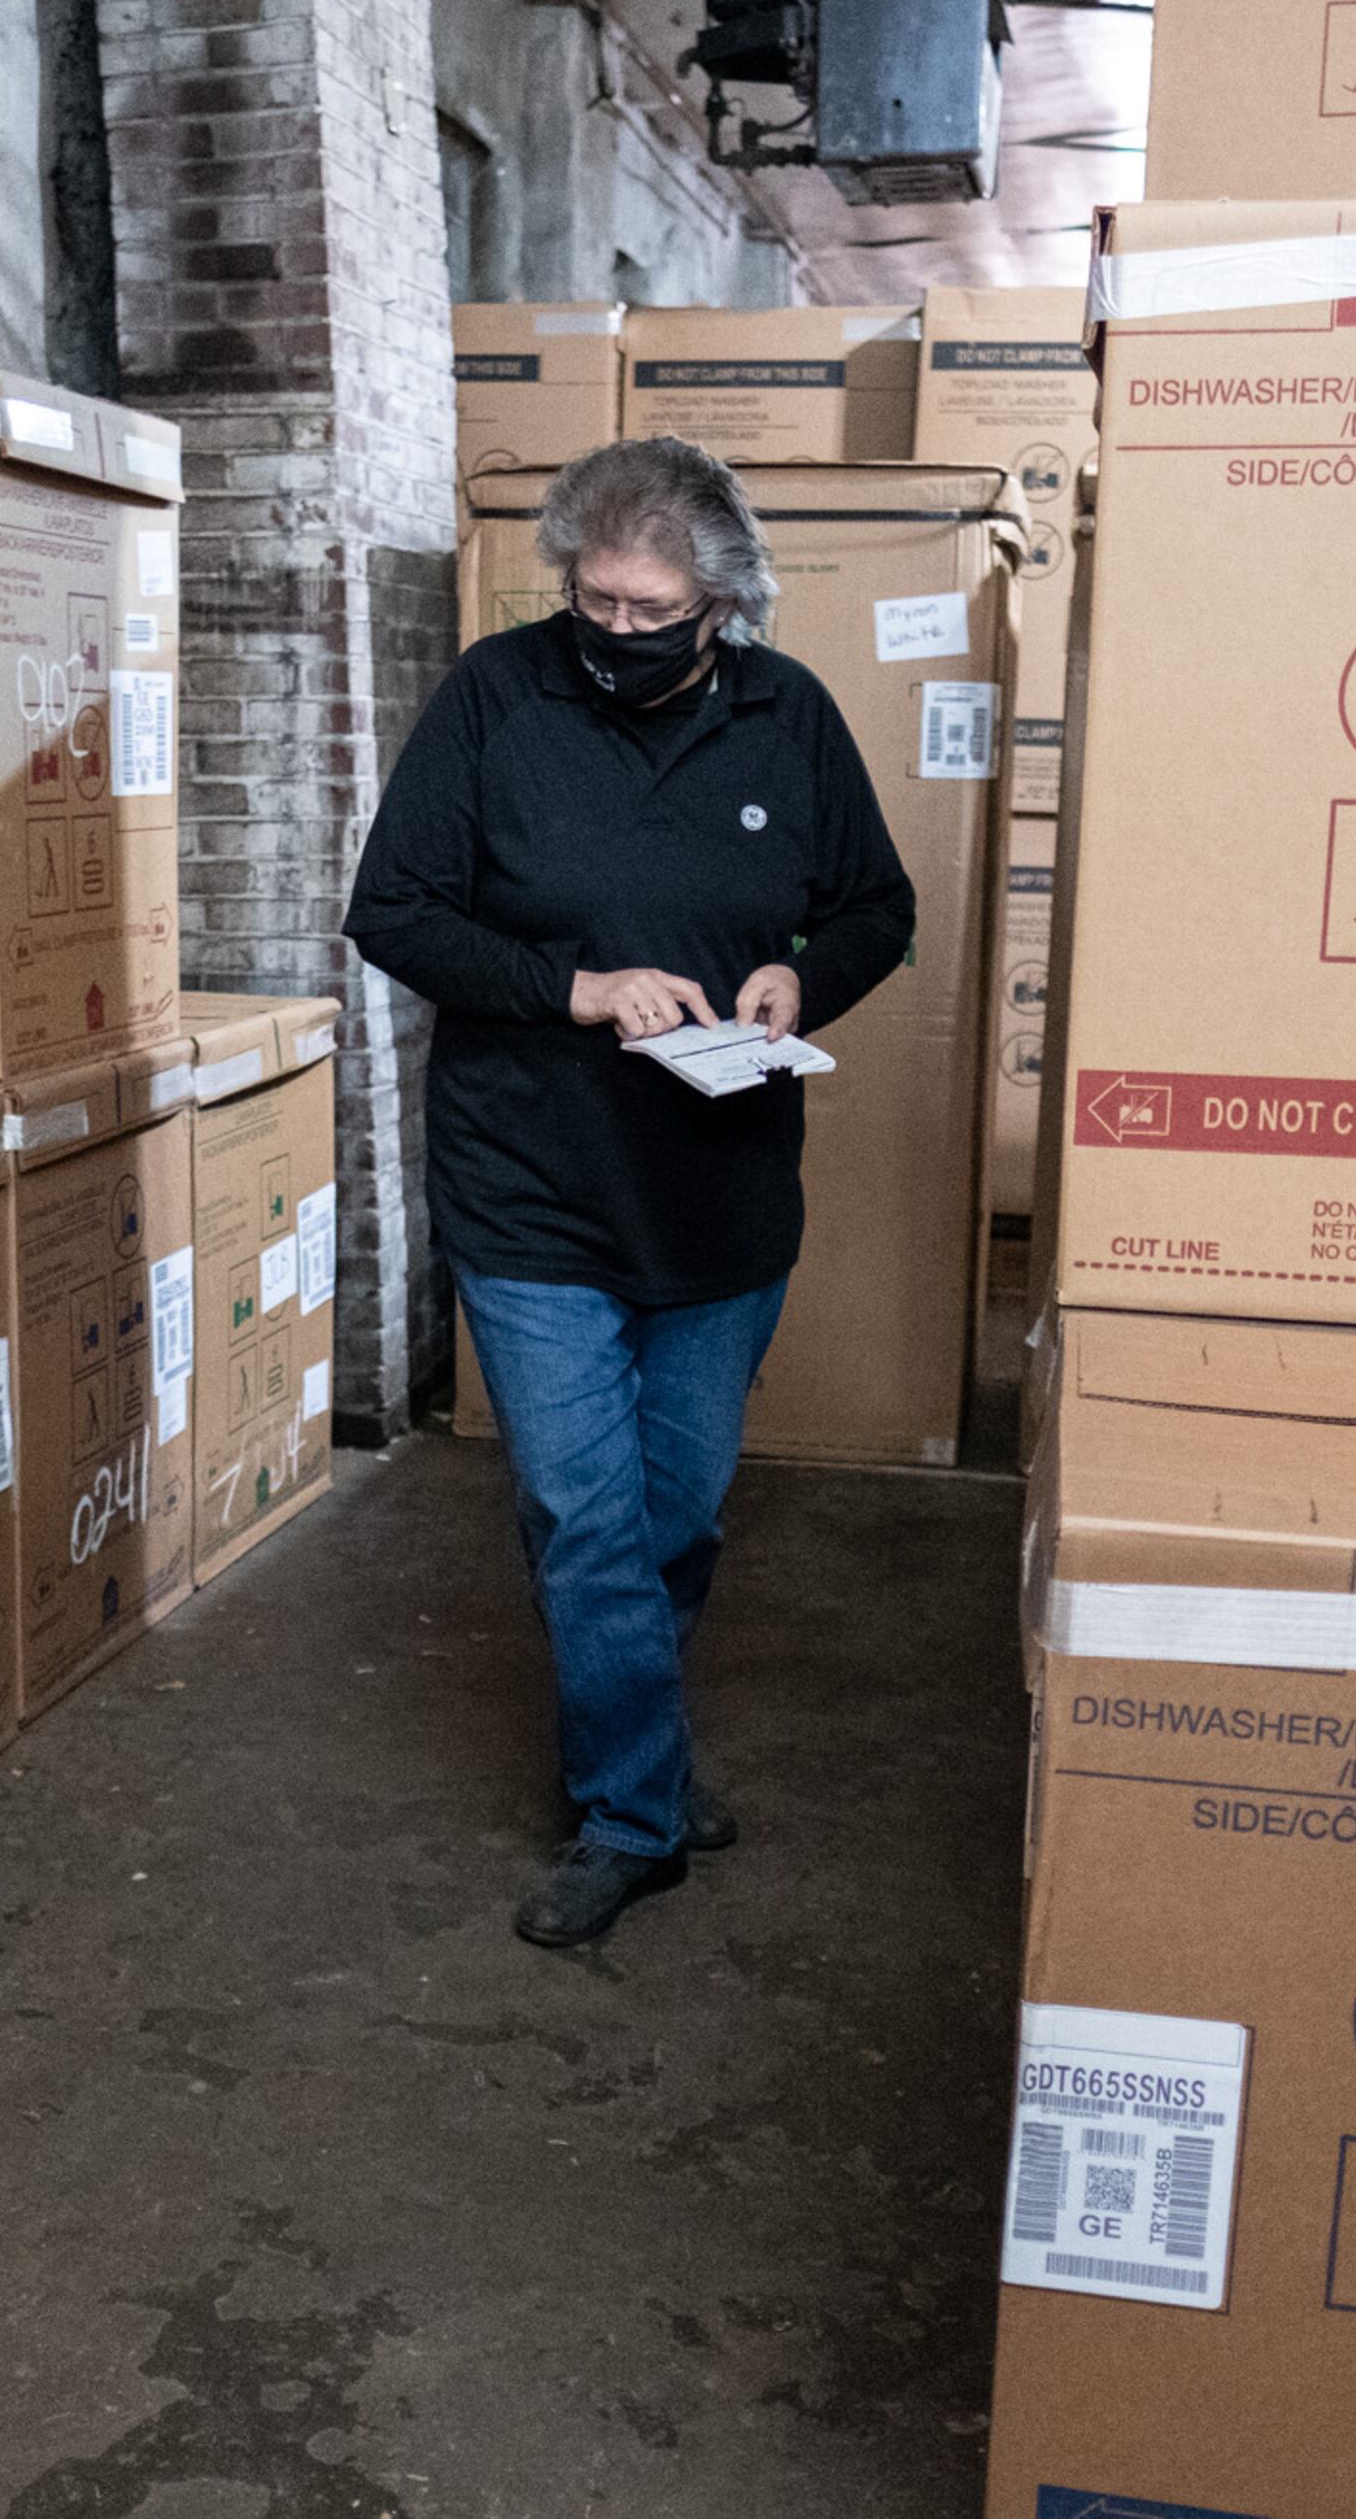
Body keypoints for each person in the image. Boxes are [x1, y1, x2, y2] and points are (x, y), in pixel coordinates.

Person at [345, 436, 916, 1949]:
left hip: (720, 1201)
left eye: (652, 614)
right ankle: (634, 1819)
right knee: (583, 1514)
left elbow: (877, 908)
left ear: (724, 606)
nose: (615, 636)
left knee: (673, 1514)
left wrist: (809, 974)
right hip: (531, 1183)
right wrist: (574, 986)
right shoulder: (494, 696)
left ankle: (638, 1747)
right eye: (593, 604)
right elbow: (390, 907)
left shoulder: (790, 718)